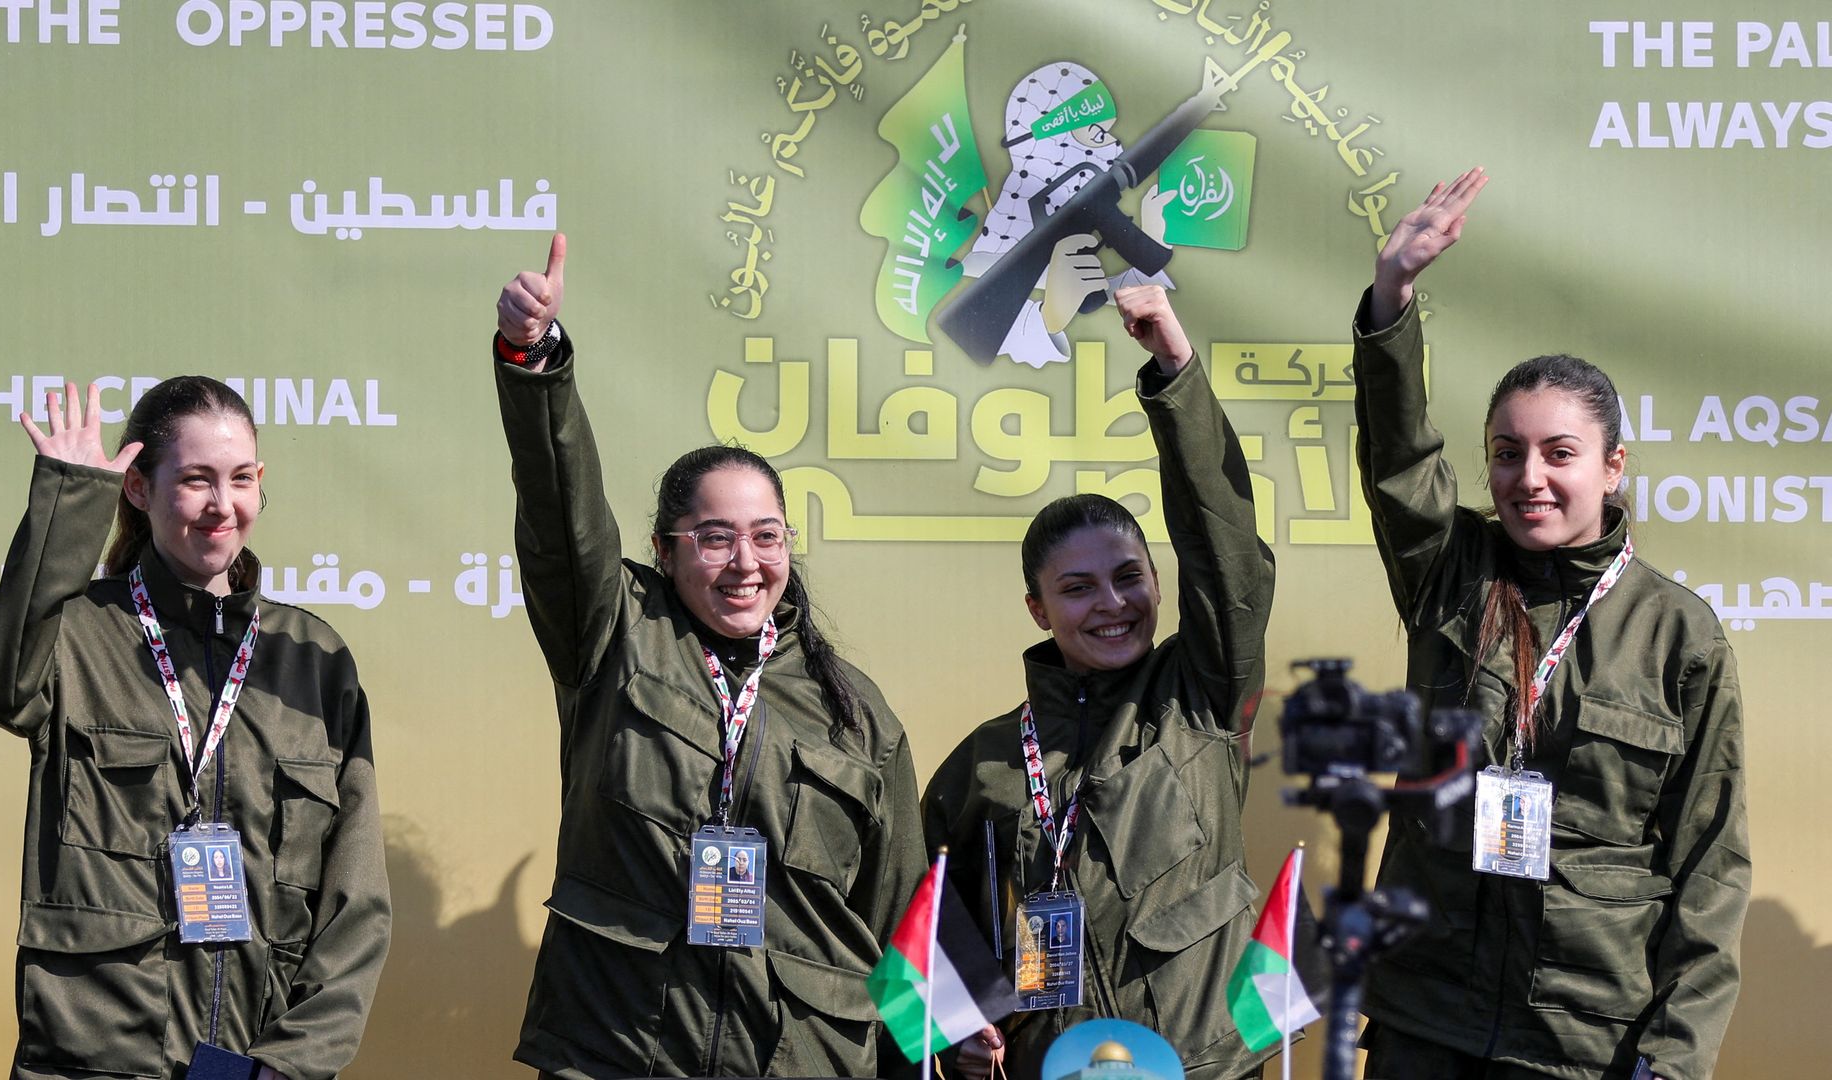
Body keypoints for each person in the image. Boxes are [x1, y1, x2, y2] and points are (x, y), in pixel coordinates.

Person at [491, 234, 927, 1078]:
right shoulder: (616, 634)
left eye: (767, 538)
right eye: (715, 538)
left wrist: (928, 1059)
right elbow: (558, 510)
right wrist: (535, 360)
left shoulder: (854, 710)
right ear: (665, 548)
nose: (745, 562)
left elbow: (903, 918)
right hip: (623, 1053)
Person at [1349, 168, 1748, 1080]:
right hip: (1428, 1018)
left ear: (1612, 467)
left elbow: (1711, 864)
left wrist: (1675, 1057)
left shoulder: (1680, 634)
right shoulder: (1453, 575)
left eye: (1559, 453)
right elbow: (1400, 461)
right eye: (1506, 453)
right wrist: (1391, 299)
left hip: (1582, 1042)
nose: (1529, 477)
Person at [0, 377, 390, 1080]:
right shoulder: (79, 633)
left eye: (240, 478)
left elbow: (355, 901)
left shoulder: (314, 661)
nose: (222, 506)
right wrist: (71, 497)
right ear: (140, 490)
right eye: (195, 480)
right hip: (93, 1061)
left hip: (251, 1064)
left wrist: (294, 1062)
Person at [922, 285, 1282, 1080]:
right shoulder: (985, 760)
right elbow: (912, 906)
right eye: (1079, 589)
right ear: (1038, 608)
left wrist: (1175, 371)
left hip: (1202, 1066)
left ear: (1160, 580)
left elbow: (1230, 558)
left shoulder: (1203, 697)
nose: (1112, 604)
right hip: (1048, 1066)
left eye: (1129, 577)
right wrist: (955, 1027)